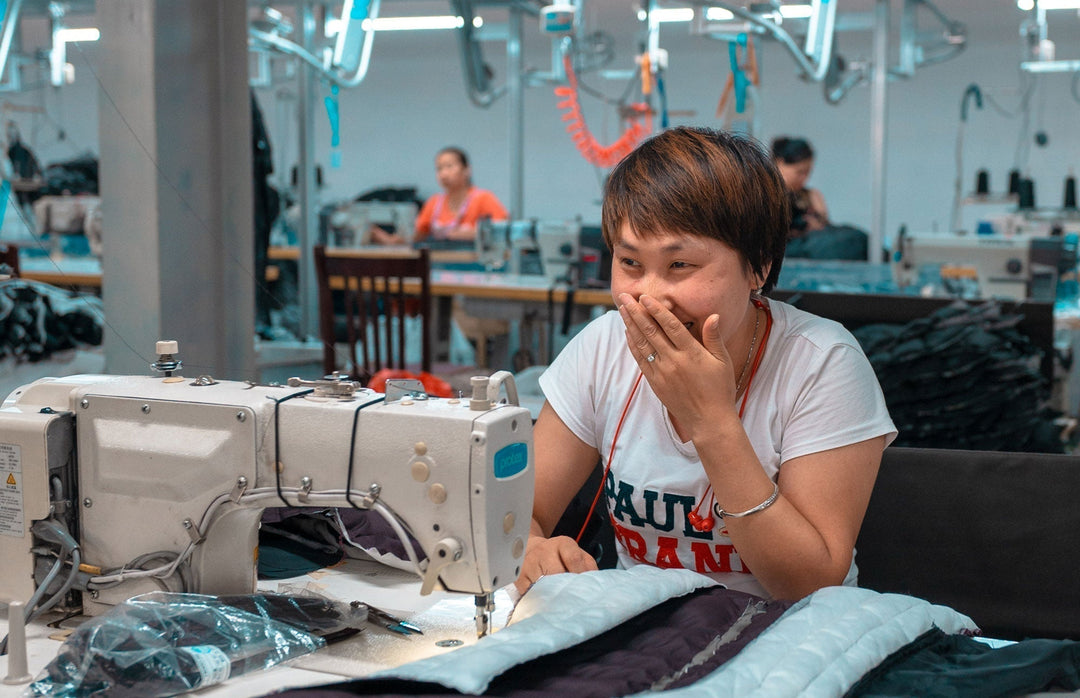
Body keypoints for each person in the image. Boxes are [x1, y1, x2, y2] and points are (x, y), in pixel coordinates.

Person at [515, 126, 896, 602]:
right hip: (643, 631)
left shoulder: (823, 364)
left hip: (785, 634)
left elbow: (809, 585)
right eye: (630, 263)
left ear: (757, 266)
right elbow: (516, 511)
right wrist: (529, 547)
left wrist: (711, 421)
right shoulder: (602, 347)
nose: (648, 296)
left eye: (680, 267)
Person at [399, 147, 508, 244]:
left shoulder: (483, 198)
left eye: (449, 167)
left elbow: (503, 230)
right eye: (439, 169)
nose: (444, 174)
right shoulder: (434, 202)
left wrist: (469, 234)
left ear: (467, 170)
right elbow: (417, 236)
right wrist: (388, 238)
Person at [771, 136, 829, 238]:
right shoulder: (764, 195)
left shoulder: (809, 195)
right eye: (799, 172)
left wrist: (821, 218)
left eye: (808, 173)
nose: (804, 178)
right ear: (779, 163)